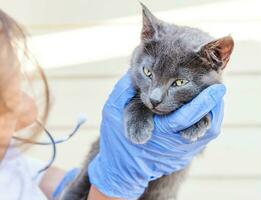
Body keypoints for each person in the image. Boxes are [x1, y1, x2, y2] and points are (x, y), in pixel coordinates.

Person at [0, 9, 226, 200]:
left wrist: (80, 184)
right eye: (8, 101)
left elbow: (26, 174)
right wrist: (115, 184)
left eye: (21, 88)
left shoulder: (8, 160)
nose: (30, 110)